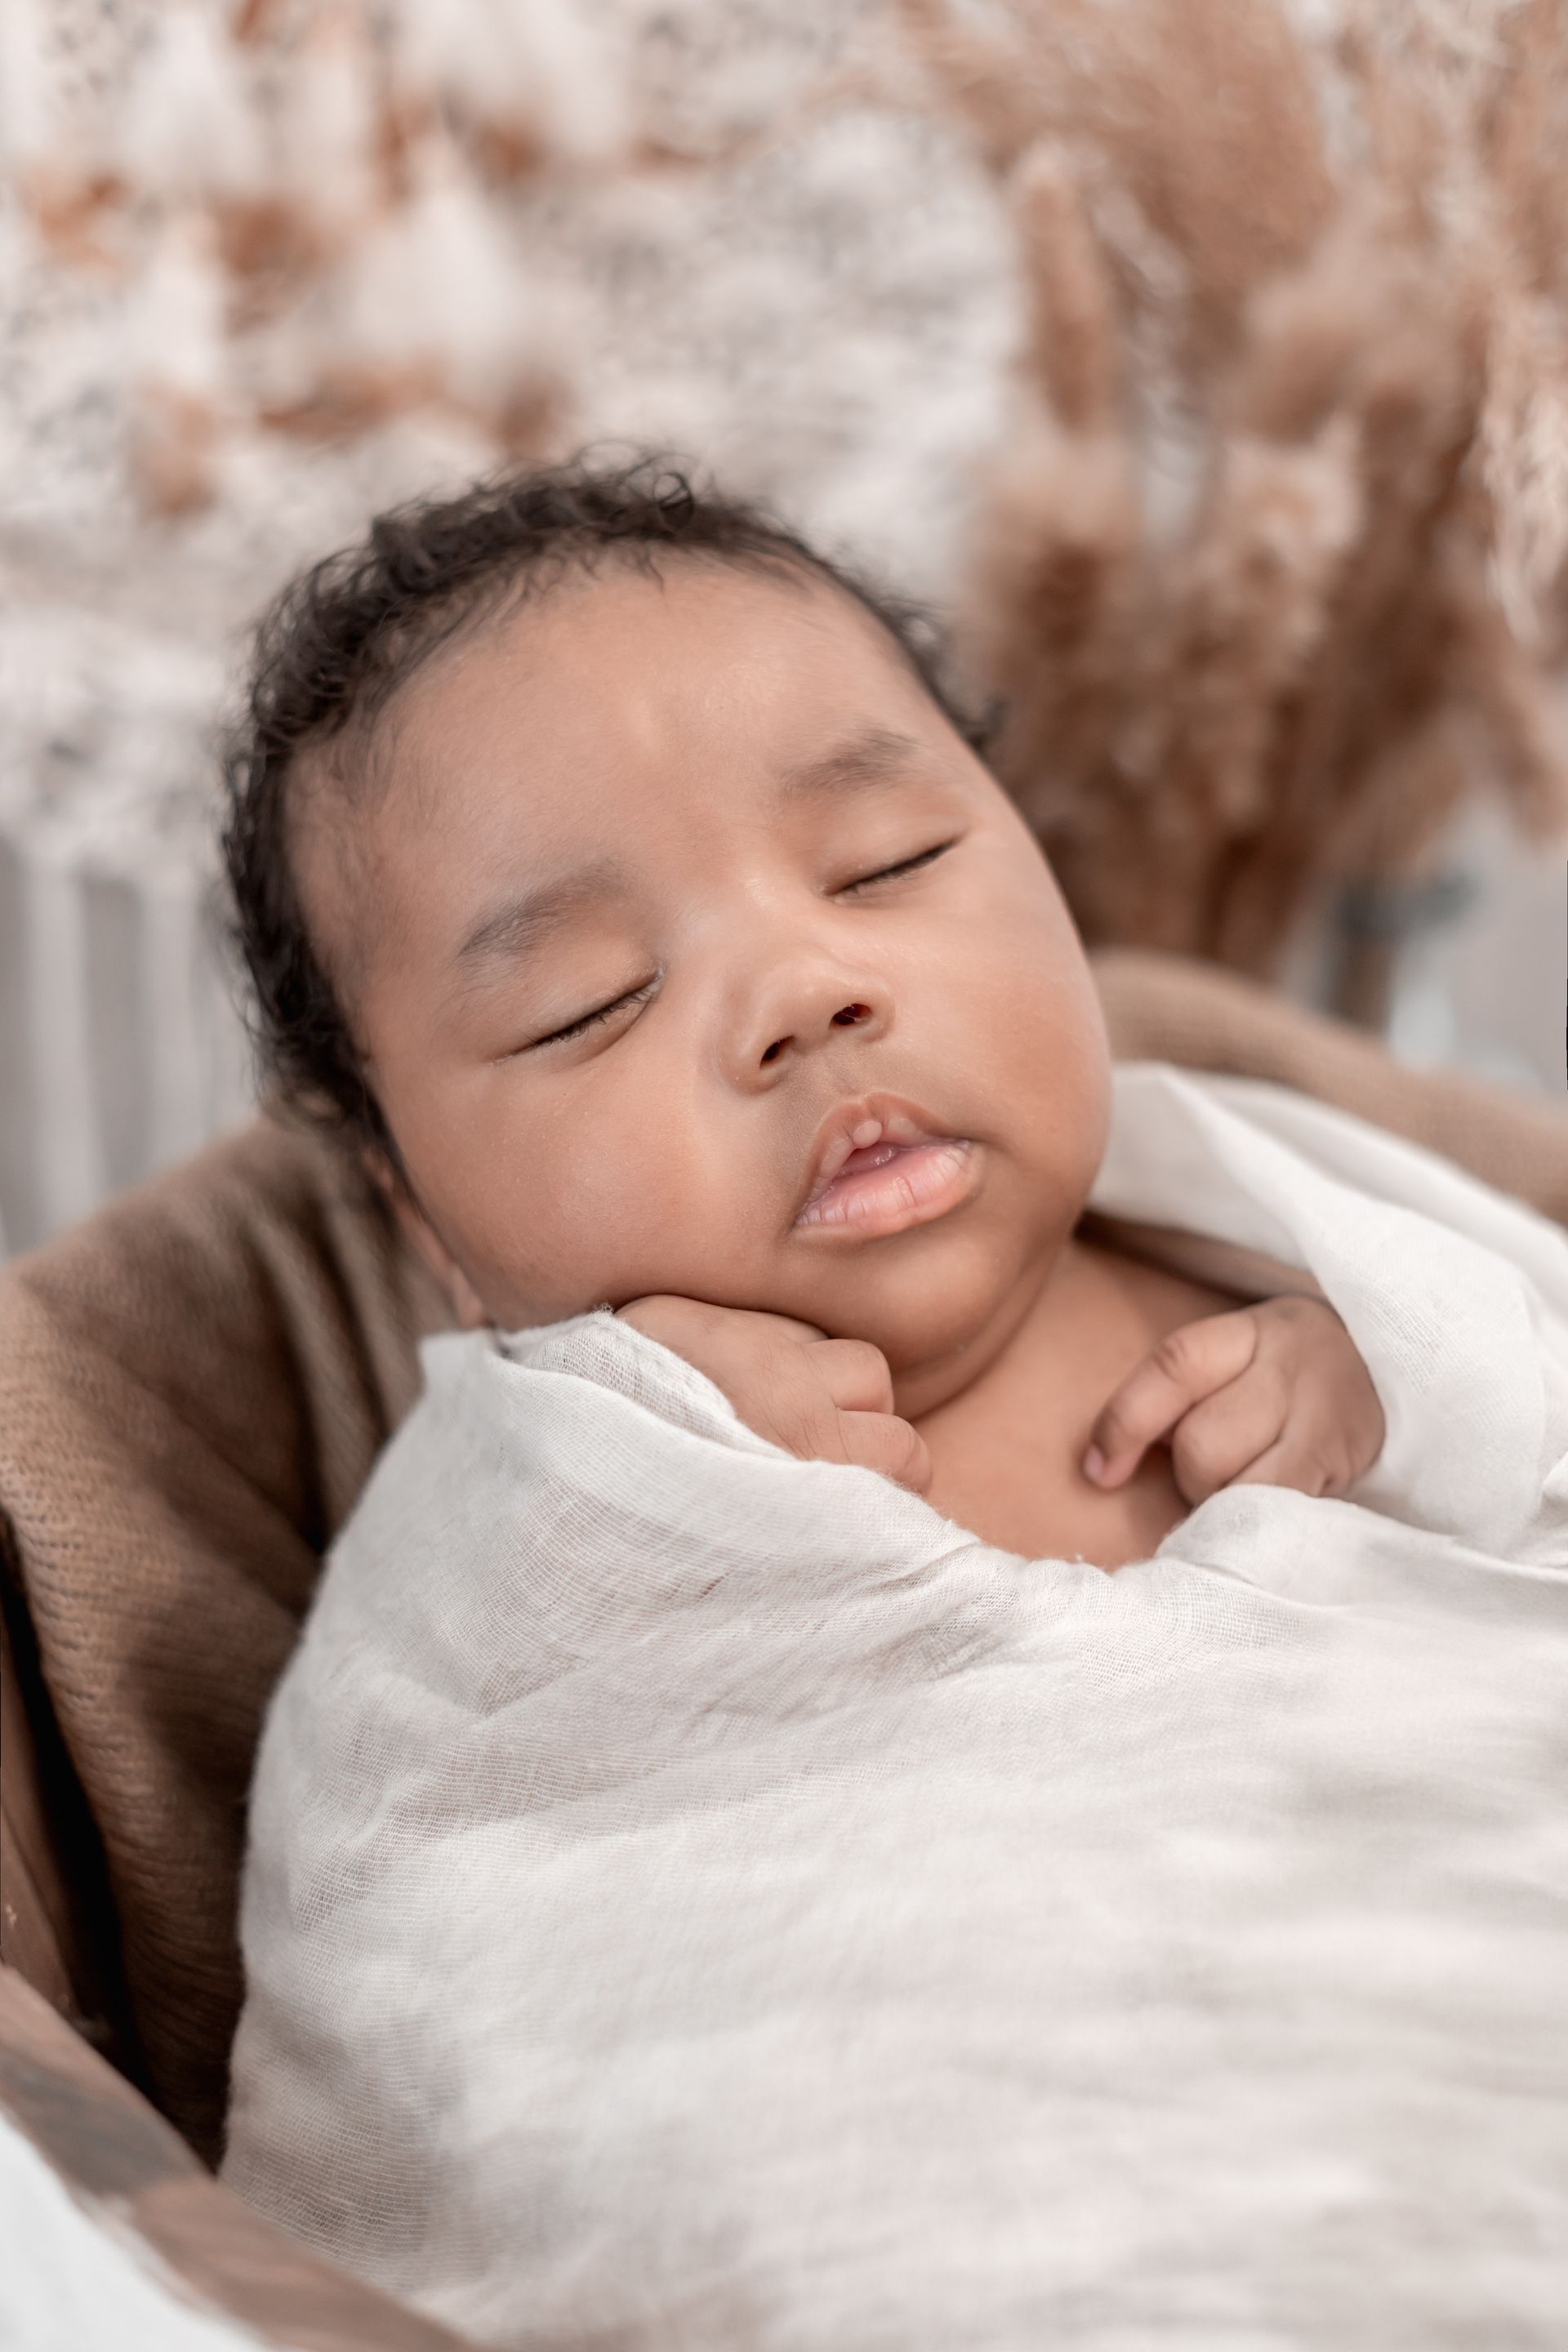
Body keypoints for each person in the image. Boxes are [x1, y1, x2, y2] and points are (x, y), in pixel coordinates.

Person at [223, 456, 1383, 1573]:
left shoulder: (1280, 1233)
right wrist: (625, 1511)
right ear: (426, 1221)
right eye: (592, 1003)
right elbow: (425, 1764)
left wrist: (1391, 1386)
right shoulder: (523, 1530)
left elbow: (1525, 1386)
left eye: (886, 860)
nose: (806, 993)